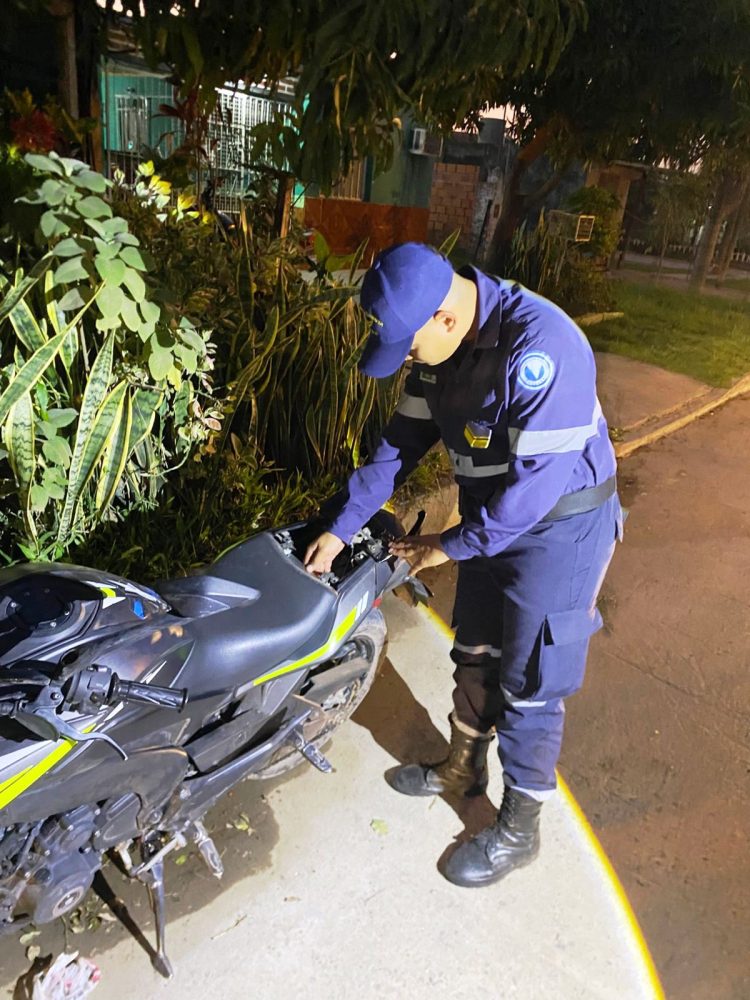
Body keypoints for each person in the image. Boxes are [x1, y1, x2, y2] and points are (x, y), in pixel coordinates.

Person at [304, 242, 622, 888]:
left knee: (531, 680)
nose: (409, 360)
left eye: (411, 345)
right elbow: (396, 450)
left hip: (560, 529)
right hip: (488, 519)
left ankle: (520, 828)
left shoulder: (544, 349)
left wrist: (443, 547)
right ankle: (461, 767)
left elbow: (531, 495)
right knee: (473, 650)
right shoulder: (438, 354)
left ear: (446, 319)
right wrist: (339, 531)